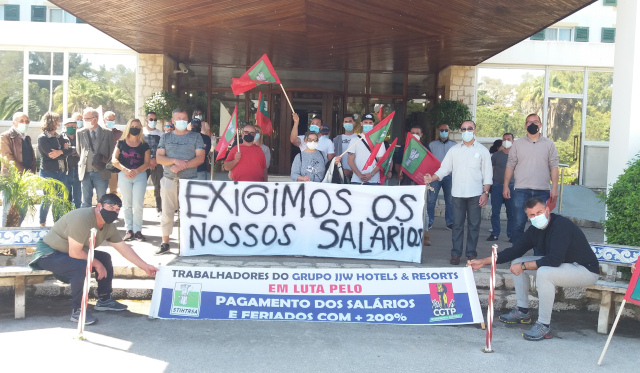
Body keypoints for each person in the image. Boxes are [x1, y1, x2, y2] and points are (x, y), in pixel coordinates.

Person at [470, 197, 599, 341]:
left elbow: (554, 260)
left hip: (585, 270)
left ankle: (544, 325)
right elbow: (515, 251)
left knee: (544, 272)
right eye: (532, 215)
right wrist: (483, 261)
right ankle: (522, 311)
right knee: (517, 262)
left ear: (547, 210)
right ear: (528, 217)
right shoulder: (534, 230)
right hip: (564, 266)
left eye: (540, 212)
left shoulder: (561, 225)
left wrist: (524, 266)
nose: (537, 217)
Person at [28, 193, 158, 325]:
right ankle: (78, 311)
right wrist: (97, 264)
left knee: (104, 257)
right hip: (50, 253)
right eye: (111, 207)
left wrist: (145, 266)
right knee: (80, 265)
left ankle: (104, 299)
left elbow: (124, 249)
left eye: (117, 209)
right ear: (99, 206)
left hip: (70, 254)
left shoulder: (108, 226)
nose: (114, 211)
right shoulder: (82, 218)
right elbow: (75, 252)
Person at [424, 121, 492, 265]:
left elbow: (487, 174)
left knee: (474, 225)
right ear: (460, 131)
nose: (466, 131)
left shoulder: (482, 151)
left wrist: (485, 192)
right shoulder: (454, 150)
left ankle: (471, 254)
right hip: (457, 194)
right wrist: (433, 177)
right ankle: (455, 254)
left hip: (475, 194)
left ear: (475, 130)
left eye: (470, 128)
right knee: (457, 225)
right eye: (464, 129)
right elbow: (444, 169)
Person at [504, 114, 559, 245]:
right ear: (525, 125)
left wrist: (555, 188)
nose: (532, 124)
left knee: (541, 225)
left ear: (540, 124)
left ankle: (538, 258)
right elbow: (510, 165)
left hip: (542, 191)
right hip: (521, 191)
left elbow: (554, 166)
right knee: (518, 224)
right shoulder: (517, 144)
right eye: (529, 122)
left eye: (535, 122)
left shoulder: (549, 144)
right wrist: (505, 185)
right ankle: (516, 256)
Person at [156, 108, 205, 255]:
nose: (182, 121)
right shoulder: (165, 137)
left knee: (189, 213)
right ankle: (165, 243)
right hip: (169, 179)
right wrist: (174, 161)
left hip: (190, 180)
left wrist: (182, 166)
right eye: (179, 118)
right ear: (173, 120)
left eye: (184, 118)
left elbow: (200, 158)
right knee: (167, 212)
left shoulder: (196, 137)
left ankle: (188, 242)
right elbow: (159, 158)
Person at [111, 119, 150, 241]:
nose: (135, 128)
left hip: (140, 175)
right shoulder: (121, 142)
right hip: (124, 175)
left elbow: (147, 162)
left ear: (140, 128)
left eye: (137, 126)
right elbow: (114, 160)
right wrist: (125, 170)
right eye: (132, 126)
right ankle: (129, 230)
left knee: (138, 204)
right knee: (127, 203)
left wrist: (136, 171)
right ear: (128, 127)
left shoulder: (144, 144)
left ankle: (138, 230)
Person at [394, 124, 432, 245]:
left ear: (421, 135)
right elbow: (398, 163)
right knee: (404, 207)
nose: (415, 135)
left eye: (417, 133)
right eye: (412, 133)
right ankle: (404, 233)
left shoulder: (426, 148)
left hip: (420, 183)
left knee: (423, 209)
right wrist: (398, 173)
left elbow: (429, 166)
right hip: (406, 182)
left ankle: (425, 235)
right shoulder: (404, 148)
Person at [1, 112, 37, 226]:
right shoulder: (5, 137)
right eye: (22, 121)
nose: (25, 123)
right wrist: (25, 171)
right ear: (14, 123)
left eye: (27, 121)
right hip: (11, 177)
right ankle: (5, 238)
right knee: (8, 209)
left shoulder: (26, 138)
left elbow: (32, 157)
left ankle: (17, 232)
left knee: (22, 208)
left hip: (25, 179)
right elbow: (7, 157)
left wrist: (32, 171)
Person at [37, 111, 71, 227]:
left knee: (60, 199)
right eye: (57, 120)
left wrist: (61, 151)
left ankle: (57, 222)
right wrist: (64, 151)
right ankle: (42, 222)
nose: (59, 123)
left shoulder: (60, 136)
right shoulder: (42, 138)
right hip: (48, 172)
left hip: (61, 172)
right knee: (48, 198)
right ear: (51, 122)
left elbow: (71, 150)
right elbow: (51, 155)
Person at [77, 107, 115, 208]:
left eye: (88, 119)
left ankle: (101, 222)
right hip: (85, 171)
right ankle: (86, 222)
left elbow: (111, 151)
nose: (85, 121)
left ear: (95, 118)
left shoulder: (107, 133)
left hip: (101, 172)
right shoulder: (80, 133)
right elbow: (79, 150)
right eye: (84, 119)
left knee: (102, 200)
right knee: (85, 201)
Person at [488, 133, 516, 242]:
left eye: (508, 139)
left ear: (513, 141)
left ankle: (511, 235)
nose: (506, 141)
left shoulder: (516, 155)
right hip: (497, 185)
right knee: (495, 211)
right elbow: (492, 170)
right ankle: (495, 233)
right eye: (504, 139)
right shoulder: (496, 155)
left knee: (511, 212)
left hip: (512, 186)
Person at [427, 123, 456, 230]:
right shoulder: (432, 145)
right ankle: (429, 221)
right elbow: (428, 161)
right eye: (442, 130)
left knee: (450, 200)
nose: (444, 132)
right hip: (435, 176)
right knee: (431, 200)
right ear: (439, 131)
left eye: (446, 130)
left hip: (449, 176)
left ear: (449, 131)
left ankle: (450, 222)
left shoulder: (454, 145)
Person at [347, 113, 386, 185]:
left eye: (370, 123)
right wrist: (360, 175)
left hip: (374, 181)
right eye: (365, 122)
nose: (368, 124)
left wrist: (371, 174)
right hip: (357, 180)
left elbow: (381, 161)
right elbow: (350, 161)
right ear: (361, 123)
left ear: (373, 124)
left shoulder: (379, 141)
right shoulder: (354, 140)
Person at [144, 111, 164, 216]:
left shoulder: (161, 134)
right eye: (151, 119)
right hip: (143, 164)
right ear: (146, 120)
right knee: (140, 185)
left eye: (155, 120)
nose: (153, 121)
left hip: (158, 163)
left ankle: (159, 208)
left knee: (159, 186)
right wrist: (147, 161)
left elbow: (163, 149)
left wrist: (155, 160)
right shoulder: (140, 133)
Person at [63, 114, 82, 209]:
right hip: (66, 170)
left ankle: (77, 215)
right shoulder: (61, 138)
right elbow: (62, 152)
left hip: (78, 169)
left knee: (77, 196)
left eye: (73, 126)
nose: (71, 127)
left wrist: (69, 150)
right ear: (65, 126)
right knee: (66, 195)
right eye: (69, 126)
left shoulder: (80, 136)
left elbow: (83, 150)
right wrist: (73, 150)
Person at [333, 114, 358, 180]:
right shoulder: (337, 139)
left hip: (357, 173)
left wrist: (353, 171)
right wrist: (342, 170)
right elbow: (334, 156)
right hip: (340, 172)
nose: (348, 123)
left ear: (354, 123)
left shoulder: (359, 138)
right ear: (343, 124)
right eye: (346, 122)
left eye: (350, 121)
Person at [104, 111, 122, 195]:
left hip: (113, 165)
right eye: (109, 119)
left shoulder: (119, 134)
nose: (111, 122)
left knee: (113, 190)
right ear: (104, 120)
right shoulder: (100, 132)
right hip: (101, 165)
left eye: (113, 120)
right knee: (101, 190)